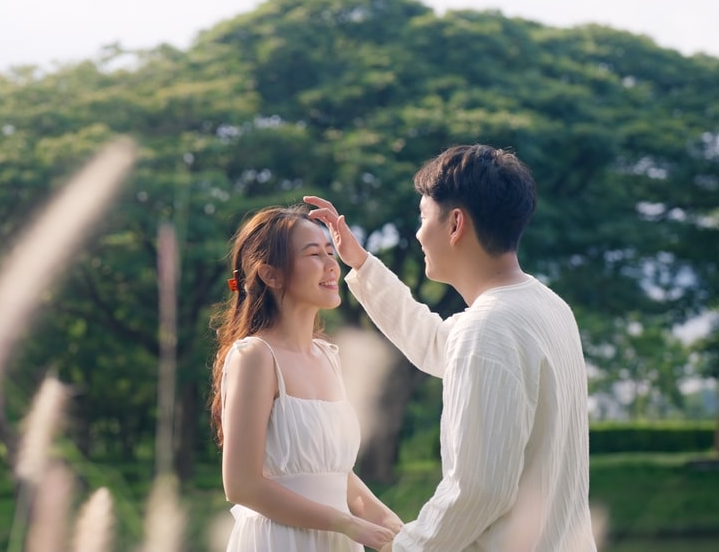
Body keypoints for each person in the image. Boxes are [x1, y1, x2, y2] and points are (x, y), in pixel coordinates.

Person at [305, 144, 598, 551]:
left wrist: (407, 547)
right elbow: (433, 341)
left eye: (423, 218)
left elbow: (478, 489)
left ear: (455, 224)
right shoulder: (546, 306)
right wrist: (361, 264)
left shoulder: (489, 327)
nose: (418, 234)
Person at [209, 204, 403, 552]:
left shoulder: (329, 357)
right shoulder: (255, 356)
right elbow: (241, 484)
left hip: (339, 541)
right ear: (271, 275)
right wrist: (346, 523)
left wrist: (395, 528)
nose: (332, 264)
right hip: (279, 540)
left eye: (331, 252)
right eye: (314, 254)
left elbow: (336, 476)